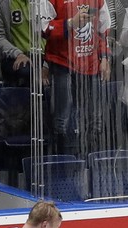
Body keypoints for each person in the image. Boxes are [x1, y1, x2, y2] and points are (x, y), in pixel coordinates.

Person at [42, 0, 112, 158]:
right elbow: (43, 28)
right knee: (62, 120)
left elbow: (104, 29)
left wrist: (105, 57)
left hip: (91, 64)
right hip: (62, 63)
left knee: (96, 119)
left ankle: (93, 161)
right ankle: (64, 163)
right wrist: (70, 23)